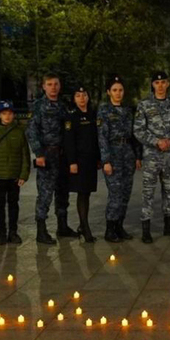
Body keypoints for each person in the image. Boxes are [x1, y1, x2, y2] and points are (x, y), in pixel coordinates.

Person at [134, 71, 170, 243]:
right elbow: (138, 130)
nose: (161, 86)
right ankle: (146, 228)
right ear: (153, 85)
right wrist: (156, 142)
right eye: (157, 83)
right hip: (151, 156)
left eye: (164, 82)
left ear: (168, 84)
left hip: (169, 157)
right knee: (148, 193)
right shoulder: (145, 104)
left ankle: (168, 225)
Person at [26, 73, 72, 245]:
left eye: (56, 84)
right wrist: (38, 154)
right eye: (50, 84)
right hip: (47, 154)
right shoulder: (39, 106)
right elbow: (31, 131)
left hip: (63, 154)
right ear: (44, 87)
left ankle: (63, 226)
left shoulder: (63, 106)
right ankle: (41, 229)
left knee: (63, 191)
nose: (53, 87)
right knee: (45, 193)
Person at [97, 76, 142, 242]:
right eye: (114, 90)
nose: (118, 93)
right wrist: (106, 160)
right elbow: (102, 137)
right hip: (113, 156)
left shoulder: (128, 111)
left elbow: (134, 135)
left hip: (127, 155)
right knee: (115, 194)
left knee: (125, 193)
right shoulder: (104, 111)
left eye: (120, 90)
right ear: (109, 92)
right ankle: (110, 229)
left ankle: (119, 226)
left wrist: (137, 156)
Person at [0, 100, 29, 245]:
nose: (7, 116)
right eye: (4, 114)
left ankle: (13, 232)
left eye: (9, 114)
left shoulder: (19, 133)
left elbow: (25, 155)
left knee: (13, 204)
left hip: (14, 177)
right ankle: (2, 233)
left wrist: (23, 175)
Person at [63, 85, 101, 243]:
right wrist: (72, 161)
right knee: (82, 193)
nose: (81, 98)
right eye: (78, 95)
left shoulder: (93, 114)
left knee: (87, 193)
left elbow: (97, 138)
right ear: (74, 98)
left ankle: (82, 224)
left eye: (84, 95)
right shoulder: (72, 117)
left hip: (91, 161)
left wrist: (99, 158)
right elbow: (69, 141)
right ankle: (85, 228)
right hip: (79, 161)